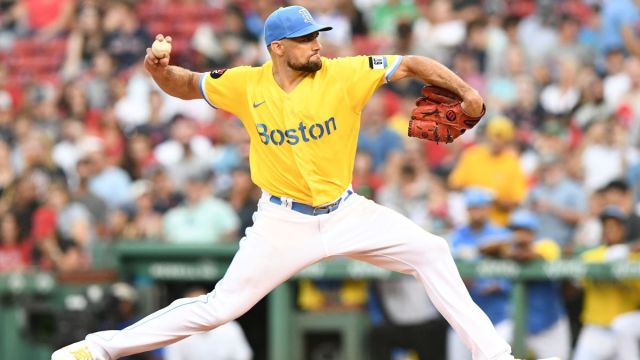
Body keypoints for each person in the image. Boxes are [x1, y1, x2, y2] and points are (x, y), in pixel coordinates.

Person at [52, 6, 517, 360]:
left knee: (432, 250)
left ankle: (495, 355)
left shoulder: (345, 73)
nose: (316, 44)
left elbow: (412, 64)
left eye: (316, 35)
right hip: (282, 221)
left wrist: (466, 91)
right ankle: (99, 349)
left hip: (346, 211)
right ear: (277, 47)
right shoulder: (245, 84)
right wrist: (158, 72)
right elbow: (188, 84)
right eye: (304, 39)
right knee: (219, 308)